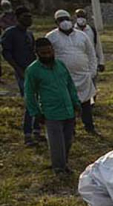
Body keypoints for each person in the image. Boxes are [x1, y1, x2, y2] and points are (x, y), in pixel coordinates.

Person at [23, 38, 80, 174]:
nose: (47, 55)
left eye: (49, 52)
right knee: (56, 143)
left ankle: (64, 164)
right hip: (51, 113)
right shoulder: (33, 70)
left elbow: (70, 85)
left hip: (68, 110)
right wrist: (36, 113)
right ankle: (58, 168)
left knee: (67, 141)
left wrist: (76, 103)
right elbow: (29, 94)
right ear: (37, 53)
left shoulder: (60, 65)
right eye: (43, 53)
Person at [47, 9, 98, 135]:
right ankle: (71, 129)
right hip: (63, 78)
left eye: (66, 19)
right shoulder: (51, 37)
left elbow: (91, 54)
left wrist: (92, 72)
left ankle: (89, 127)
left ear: (70, 19)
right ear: (56, 22)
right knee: (68, 104)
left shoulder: (82, 36)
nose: (64, 22)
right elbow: (46, 57)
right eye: (61, 20)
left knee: (86, 104)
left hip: (83, 77)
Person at [2, 6, 40, 145]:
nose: (29, 19)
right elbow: (6, 53)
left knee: (38, 100)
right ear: (18, 18)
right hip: (22, 72)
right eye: (25, 17)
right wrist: (18, 69)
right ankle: (27, 134)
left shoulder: (29, 34)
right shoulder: (10, 33)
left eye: (30, 17)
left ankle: (36, 130)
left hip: (34, 71)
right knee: (29, 102)